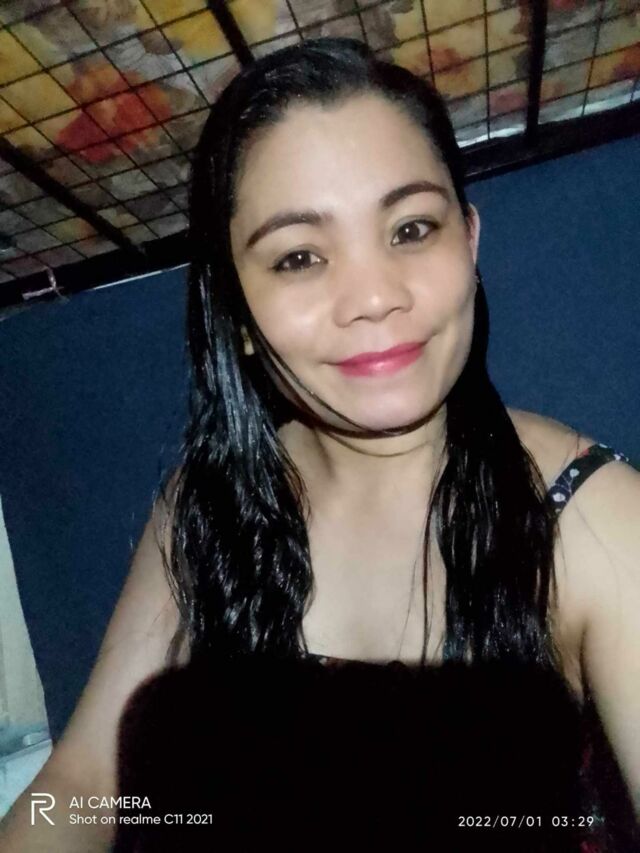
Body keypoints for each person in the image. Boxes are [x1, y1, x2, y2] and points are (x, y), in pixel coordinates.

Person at [1, 37, 638, 852]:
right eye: (300, 256)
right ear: (234, 311)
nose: (373, 296)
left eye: (411, 228)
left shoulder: (596, 520)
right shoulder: (207, 500)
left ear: (470, 241)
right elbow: (85, 783)